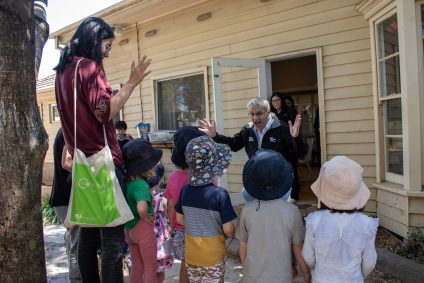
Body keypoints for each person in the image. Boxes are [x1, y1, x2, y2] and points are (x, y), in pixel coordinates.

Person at [54, 16, 151, 283]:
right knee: (111, 241)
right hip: (102, 164)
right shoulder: (88, 67)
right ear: (93, 41)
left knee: (87, 238)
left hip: (81, 165)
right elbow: (104, 112)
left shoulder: (64, 71)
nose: (107, 53)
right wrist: (132, 82)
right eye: (106, 46)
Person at [198, 98, 302, 200]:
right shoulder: (247, 129)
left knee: (275, 210)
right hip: (255, 176)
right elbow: (234, 144)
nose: (255, 118)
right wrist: (215, 135)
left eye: (259, 113)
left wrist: (294, 138)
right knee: (248, 199)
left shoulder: (281, 128)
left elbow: (296, 153)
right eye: (252, 114)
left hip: (277, 177)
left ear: (268, 112)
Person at [235, 149, 311, 283]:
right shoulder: (292, 211)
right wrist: (306, 272)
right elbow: (297, 246)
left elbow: (243, 245)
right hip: (281, 277)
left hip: (252, 276)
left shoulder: (247, 210)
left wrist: (245, 269)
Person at [302, 156, 378, 283]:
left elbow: (308, 256)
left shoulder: (314, 221)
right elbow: (369, 262)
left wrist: (319, 271)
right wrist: (358, 276)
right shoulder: (366, 224)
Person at [175, 135, 236, 283]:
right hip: (213, 256)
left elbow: (179, 219)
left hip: (192, 255)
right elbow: (228, 229)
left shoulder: (185, 190)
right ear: (214, 167)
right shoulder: (220, 194)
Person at [163, 126, 205, 283]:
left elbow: (170, 205)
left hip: (180, 230)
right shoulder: (204, 179)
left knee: (186, 264)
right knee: (202, 265)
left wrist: (171, 225)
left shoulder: (173, 178)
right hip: (201, 229)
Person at [122, 139, 163, 283]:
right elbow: (141, 207)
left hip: (129, 229)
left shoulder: (126, 182)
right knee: (150, 266)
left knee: (137, 265)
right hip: (143, 229)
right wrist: (145, 216)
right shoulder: (141, 185)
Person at [49, 128, 81, 283]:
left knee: (72, 238)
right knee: (77, 241)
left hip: (62, 197)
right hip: (67, 198)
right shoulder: (71, 129)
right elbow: (67, 162)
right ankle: (76, 279)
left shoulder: (65, 128)